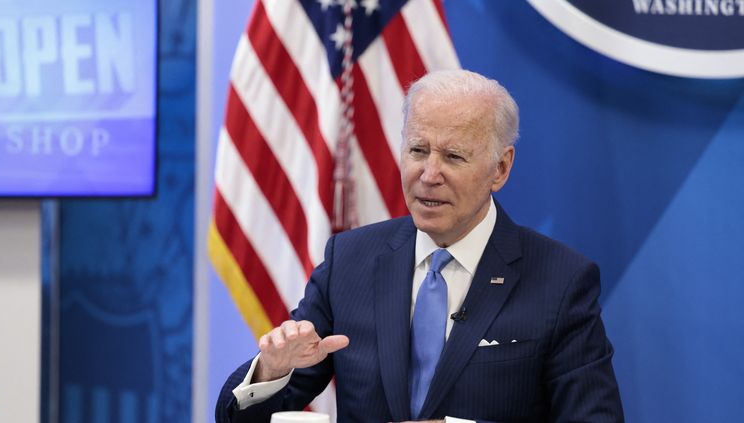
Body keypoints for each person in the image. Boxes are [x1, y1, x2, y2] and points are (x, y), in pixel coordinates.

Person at [216, 69, 624, 422]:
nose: (429, 174)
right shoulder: (349, 261)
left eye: (453, 157)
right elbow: (241, 417)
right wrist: (270, 372)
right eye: (418, 150)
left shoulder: (561, 281)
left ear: (500, 168)